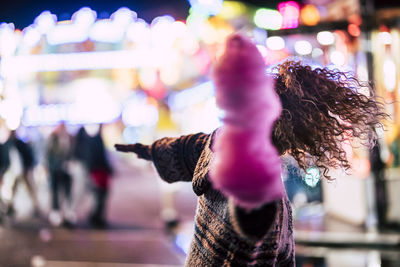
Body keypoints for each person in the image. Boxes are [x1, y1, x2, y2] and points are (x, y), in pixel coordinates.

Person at [115, 34, 387, 266]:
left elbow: (186, 149)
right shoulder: (264, 189)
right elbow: (260, 238)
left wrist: (149, 149)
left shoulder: (221, 142)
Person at [46, 122, 74, 226]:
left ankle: (67, 212)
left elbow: (71, 153)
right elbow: (49, 154)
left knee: (67, 191)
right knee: (55, 192)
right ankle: (56, 212)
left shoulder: (69, 138)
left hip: (66, 170)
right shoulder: (53, 139)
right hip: (55, 170)